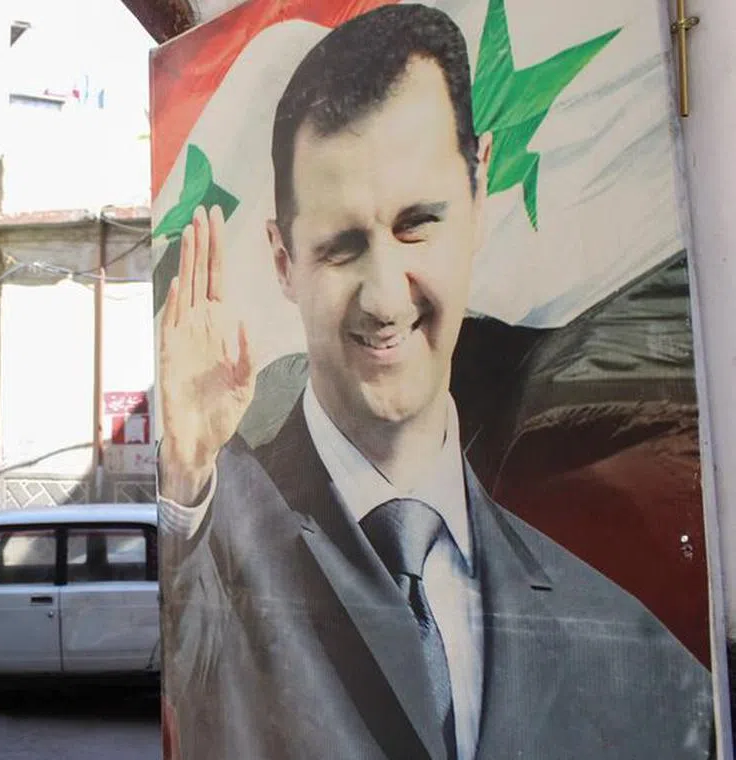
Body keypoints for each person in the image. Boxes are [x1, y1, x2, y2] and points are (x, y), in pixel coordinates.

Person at [155, 6, 714, 760]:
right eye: (342, 246)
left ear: (480, 195)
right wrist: (186, 474)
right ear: (283, 260)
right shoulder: (210, 540)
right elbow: (184, 672)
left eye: (417, 223)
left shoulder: (636, 657)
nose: (386, 298)